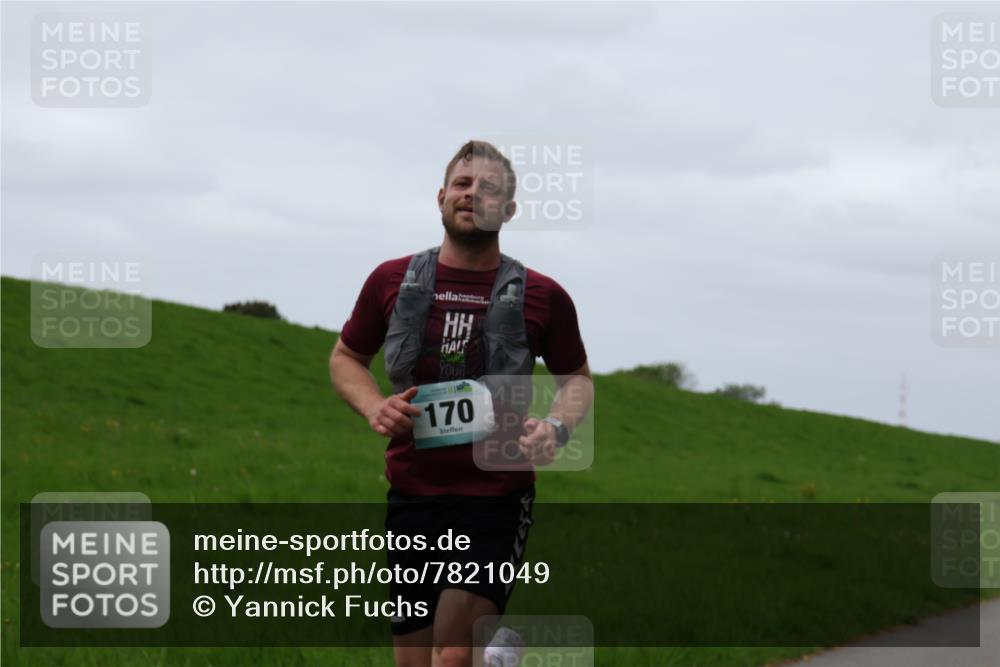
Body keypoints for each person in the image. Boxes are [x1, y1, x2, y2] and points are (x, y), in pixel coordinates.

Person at [330, 140, 592, 667]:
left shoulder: (544, 295)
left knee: (449, 658)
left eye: (490, 188)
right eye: (464, 184)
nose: (473, 195)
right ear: (442, 196)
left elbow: (578, 380)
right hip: (412, 493)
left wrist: (556, 429)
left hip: (495, 496)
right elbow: (345, 357)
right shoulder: (391, 280)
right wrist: (374, 407)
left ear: (509, 210)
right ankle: (497, 660)